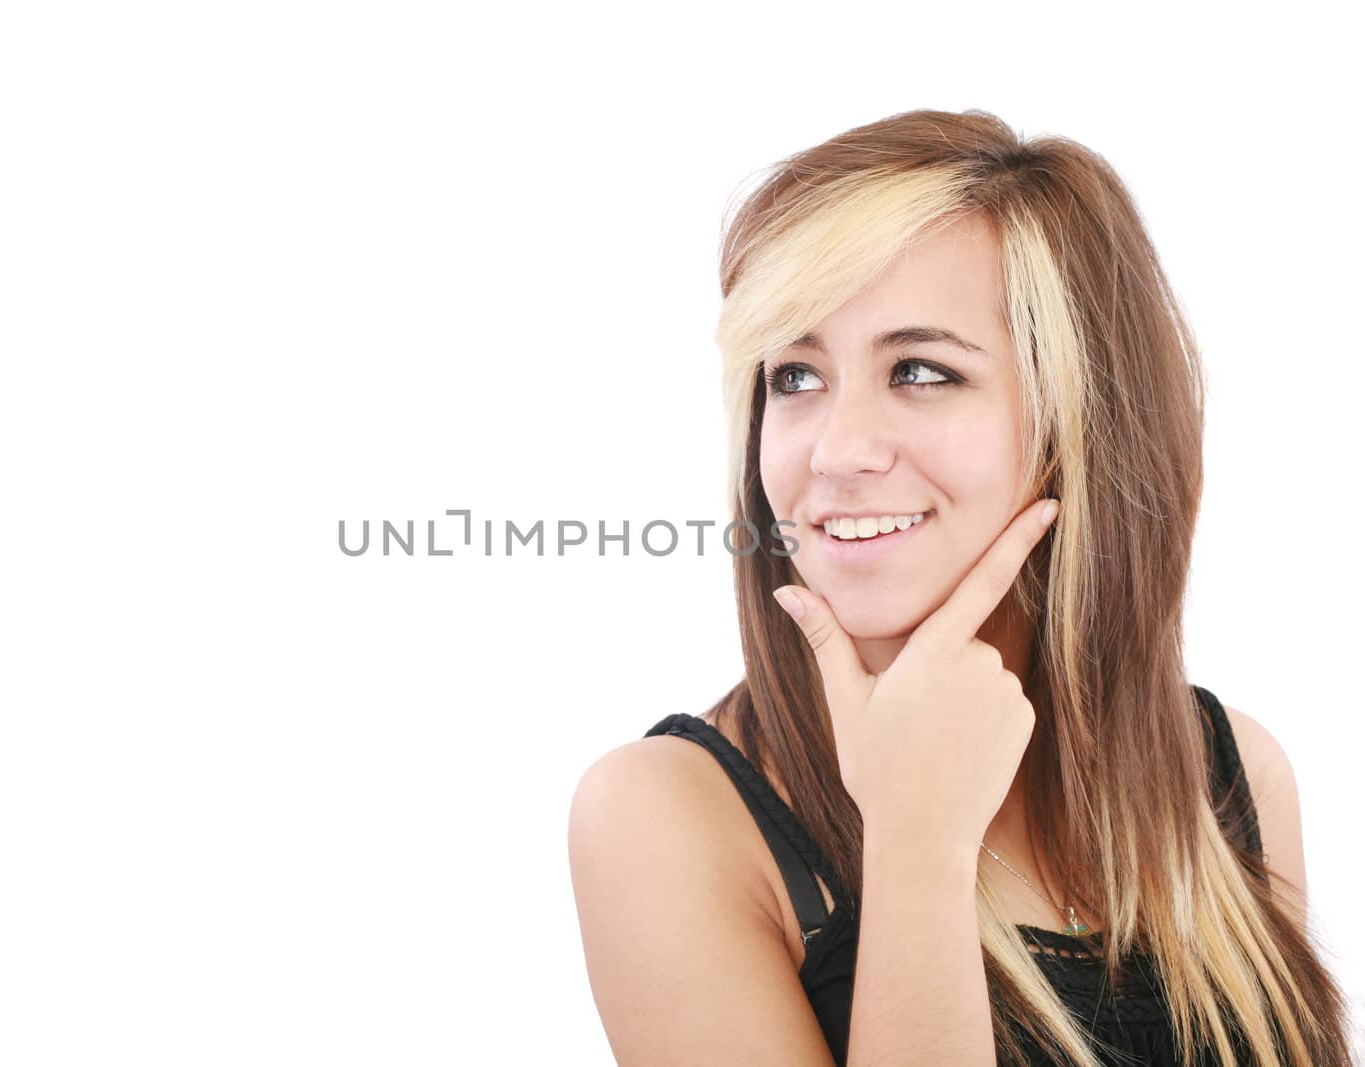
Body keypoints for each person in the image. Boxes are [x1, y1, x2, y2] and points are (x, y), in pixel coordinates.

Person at [567, 109, 1352, 1066]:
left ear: (1075, 422)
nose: (838, 451)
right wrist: (915, 840)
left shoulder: (1228, 773)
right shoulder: (665, 817)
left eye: (920, 370)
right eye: (796, 376)